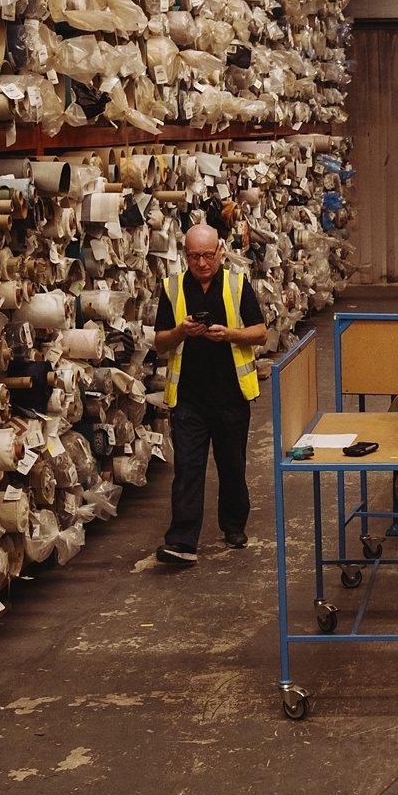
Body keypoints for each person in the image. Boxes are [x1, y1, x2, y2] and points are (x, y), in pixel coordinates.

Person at [154, 222, 268, 565]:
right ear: (185, 255)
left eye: (207, 255)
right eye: (194, 256)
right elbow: (160, 342)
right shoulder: (172, 288)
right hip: (189, 397)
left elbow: (261, 333)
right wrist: (181, 331)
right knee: (188, 468)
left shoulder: (236, 284)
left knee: (231, 465)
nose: (202, 263)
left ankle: (233, 525)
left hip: (231, 395)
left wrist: (230, 334)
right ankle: (182, 542)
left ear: (220, 251)